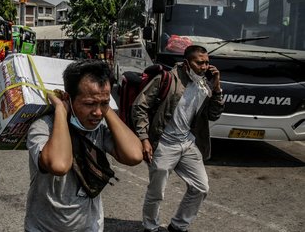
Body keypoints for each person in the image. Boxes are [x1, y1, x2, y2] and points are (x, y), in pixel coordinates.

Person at [24, 59, 143, 231]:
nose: (97, 113)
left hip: (90, 226)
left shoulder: (98, 128)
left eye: (104, 103)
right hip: (43, 227)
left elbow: (134, 155)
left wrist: (105, 107)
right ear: (68, 98)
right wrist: (60, 110)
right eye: (89, 104)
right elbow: (59, 165)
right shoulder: (43, 127)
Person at [132, 45, 224, 232]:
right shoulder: (167, 79)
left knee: (201, 187)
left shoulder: (205, 84)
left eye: (207, 62)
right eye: (200, 62)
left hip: (188, 143)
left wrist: (217, 88)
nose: (205, 66)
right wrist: (144, 139)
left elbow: (214, 114)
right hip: (164, 144)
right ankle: (150, 227)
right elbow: (139, 106)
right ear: (187, 63)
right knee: (157, 192)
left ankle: (178, 226)